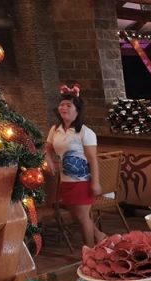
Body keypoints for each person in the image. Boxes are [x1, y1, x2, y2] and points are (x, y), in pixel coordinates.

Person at [44, 84, 106, 248]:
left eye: (68, 105)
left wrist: (95, 183)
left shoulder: (85, 132)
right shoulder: (55, 130)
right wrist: (48, 160)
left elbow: (93, 159)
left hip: (82, 181)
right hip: (65, 181)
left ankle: (90, 251)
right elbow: (47, 148)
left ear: (77, 111)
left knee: (83, 218)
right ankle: (100, 236)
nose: (63, 108)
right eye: (62, 105)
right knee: (77, 216)